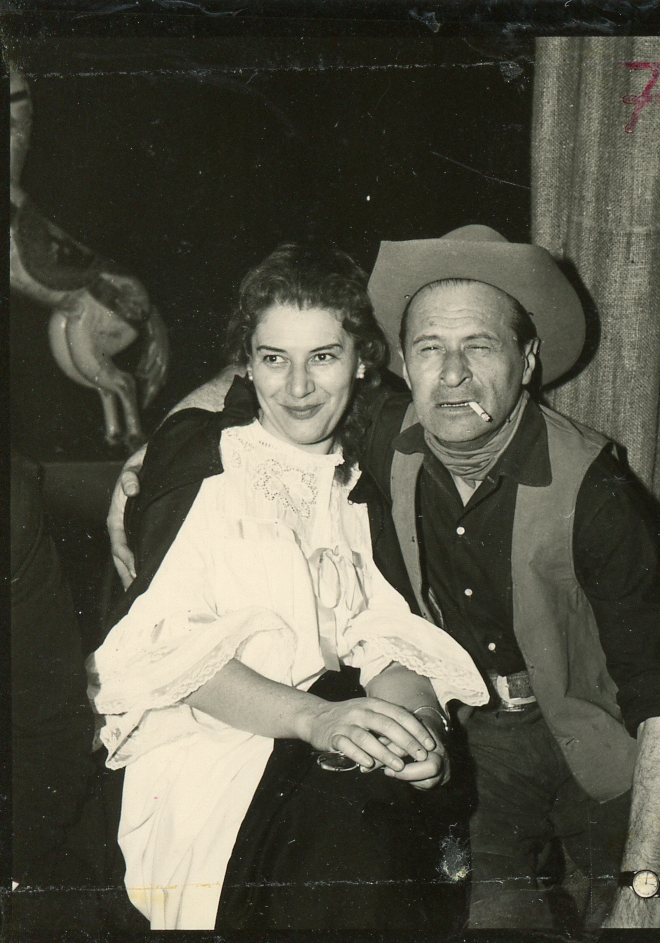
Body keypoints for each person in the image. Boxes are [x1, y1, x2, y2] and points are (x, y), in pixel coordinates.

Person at [108, 226, 660, 930]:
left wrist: (645, 894)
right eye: (429, 349)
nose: (452, 375)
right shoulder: (387, 436)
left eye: (479, 346)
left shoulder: (598, 492)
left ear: (527, 359)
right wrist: (151, 456)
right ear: (401, 364)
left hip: (600, 733)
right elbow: (272, 379)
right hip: (480, 746)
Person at [89, 242, 488, 931]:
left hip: (323, 740)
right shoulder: (208, 462)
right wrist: (316, 719)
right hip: (211, 747)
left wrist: (419, 730)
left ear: (362, 360)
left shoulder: (360, 481)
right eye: (275, 358)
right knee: (351, 841)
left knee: (387, 820)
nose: (298, 386)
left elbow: (383, 636)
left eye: (323, 356)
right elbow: (166, 652)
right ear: (246, 364)